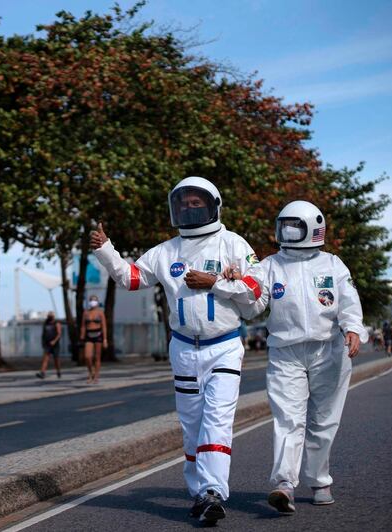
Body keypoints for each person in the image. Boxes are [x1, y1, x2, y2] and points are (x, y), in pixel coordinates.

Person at [92, 176, 258, 524]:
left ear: (213, 205)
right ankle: (200, 493)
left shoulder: (233, 244)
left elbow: (257, 294)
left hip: (225, 345)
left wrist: (216, 282)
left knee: (217, 419)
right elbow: (130, 278)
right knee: (192, 425)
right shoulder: (166, 251)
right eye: (184, 203)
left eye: (197, 202)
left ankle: (213, 490)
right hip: (183, 348)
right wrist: (106, 250)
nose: (189, 207)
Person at [220, 200, 368, 514]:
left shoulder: (332, 264)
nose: (287, 231)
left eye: (294, 226)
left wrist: (353, 328)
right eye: (284, 225)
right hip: (285, 353)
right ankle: (284, 484)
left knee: (323, 420)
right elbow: (254, 301)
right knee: (288, 419)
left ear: (314, 228)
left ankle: (319, 481)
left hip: (329, 349)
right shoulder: (270, 265)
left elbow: (348, 301)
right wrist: (236, 281)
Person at [80, 295, 106, 384]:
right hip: (88, 335)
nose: (93, 302)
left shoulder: (100, 312)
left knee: (97, 357)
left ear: (97, 302)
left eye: (94, 300)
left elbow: (104, 326)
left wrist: (105, 339)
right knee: (87, 357)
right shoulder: (86, 313)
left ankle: (96, 376)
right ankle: (91, 372)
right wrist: (82, 336)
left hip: (98, 334)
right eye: (91, 300)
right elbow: (83, 326)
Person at [36, 312, 62, 379]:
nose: (49, 317)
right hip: (47, 344)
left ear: (53, 316)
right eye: (48, 315)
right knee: (45, 359)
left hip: (55, 344)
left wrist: (54, 341)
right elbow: (43, 334)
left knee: (56, 359)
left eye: (51, 315)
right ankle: (42, 373)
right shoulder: (45, 324)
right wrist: (42, 342)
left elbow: (59, 334)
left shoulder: (56, 323)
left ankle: (58, 371)